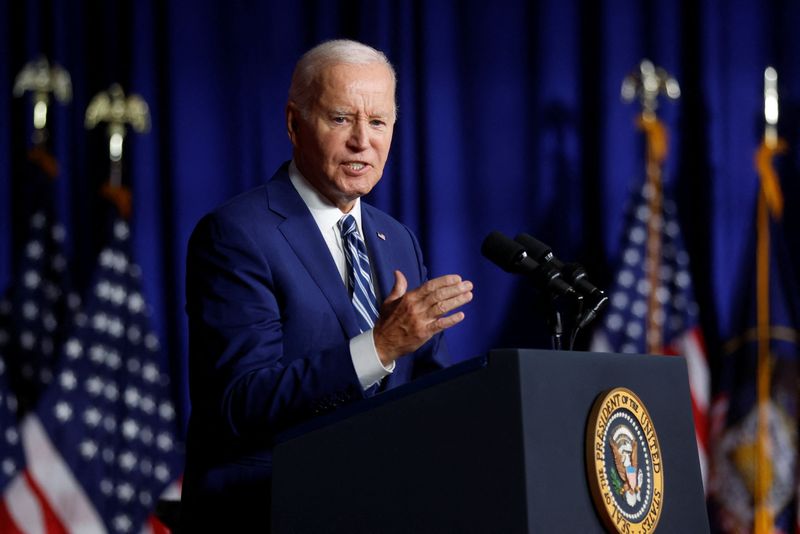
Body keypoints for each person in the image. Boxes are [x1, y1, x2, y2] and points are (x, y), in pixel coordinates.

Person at [180, 39, 473, 531]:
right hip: (265, 513)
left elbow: (422, 381)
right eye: (341, 118)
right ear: (294, 123)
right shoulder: (237, 234)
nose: (363, 140)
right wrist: (378, 347)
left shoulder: (397, 239)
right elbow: (239, 403)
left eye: (378, 122)